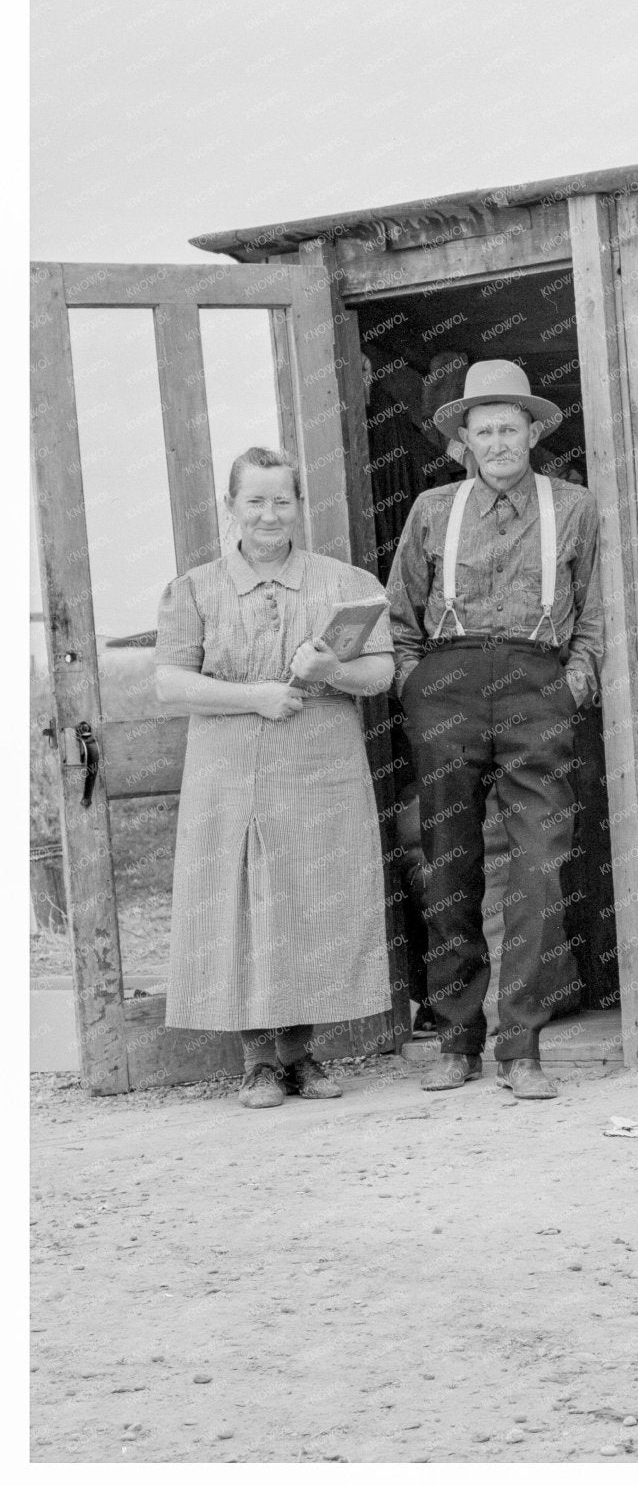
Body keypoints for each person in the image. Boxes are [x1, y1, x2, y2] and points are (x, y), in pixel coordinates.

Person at [384, 360, 604, 1100]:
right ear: (464, 440)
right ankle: (455, 1039)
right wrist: (414, 685)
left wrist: (571, 686)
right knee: (449, 863)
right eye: (485, 429)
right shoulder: (431, 509)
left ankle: (524, 1047)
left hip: (537, 686)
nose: (500, 440)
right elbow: (399, 617)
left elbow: (597, 613)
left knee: (540, 866)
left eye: (512, 426)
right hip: (446, 685)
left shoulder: (574, 506)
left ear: (534, 432)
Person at [154, 447, 396, 1109]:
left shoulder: (345, 583)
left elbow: (379, 674)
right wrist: (256, 696)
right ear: (231, 507)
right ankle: (257, 1060)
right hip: (230, 772)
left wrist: (330, 674)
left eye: (281, 500)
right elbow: (170, 684)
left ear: (299, 506)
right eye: (254, 501)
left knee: (310, 897)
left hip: (320, 768)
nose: (268, 514)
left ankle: (301, 1053)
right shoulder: (196, 589)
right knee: (242, 899)